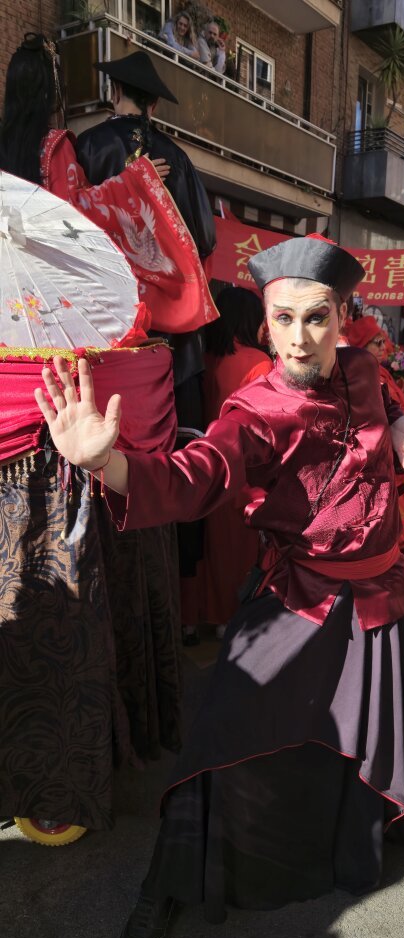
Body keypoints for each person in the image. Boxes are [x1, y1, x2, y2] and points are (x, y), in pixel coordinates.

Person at [35, 234, 404, 938]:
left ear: (344, 315)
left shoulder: (363, 368)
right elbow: (201, 472)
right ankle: (171, 880)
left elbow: (382, 406)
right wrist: (111, 462)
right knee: (225, 735)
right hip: (301, 595)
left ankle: (359, 839)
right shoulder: (255, 407)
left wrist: (397, 423)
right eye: (284, 318)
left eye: (318, 317)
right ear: (264, 317)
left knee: (390, 729)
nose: (300, 337)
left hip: (385, 595)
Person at [76, 50, 218, 634]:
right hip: (167, 343)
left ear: (116, 96)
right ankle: (166, 597)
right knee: (165, 455)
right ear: (155, 106)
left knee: (96, 456)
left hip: (103, 334)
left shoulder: (84, 150)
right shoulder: (178, 161)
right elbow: (204, 239)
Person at [0, 34, 211, 335]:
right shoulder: (56, 147)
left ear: (116, 92)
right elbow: (72, 216)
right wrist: (136, 181)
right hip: (119, 309)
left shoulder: (86, 144)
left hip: (11, 283)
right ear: (154, 104)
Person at [195, 287, 273, 633]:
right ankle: (228, 618)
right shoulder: (259, 362)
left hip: (196, 461)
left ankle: (192, 619)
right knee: (233, 548)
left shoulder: (203, 356)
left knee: (201, 545)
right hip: (239, 465)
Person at [346, 315, 404, 414]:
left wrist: (400, 394)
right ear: (362, 346)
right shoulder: (360, 376)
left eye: (383, 342)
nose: (384, 347)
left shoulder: (380, 369)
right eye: (378, 343)